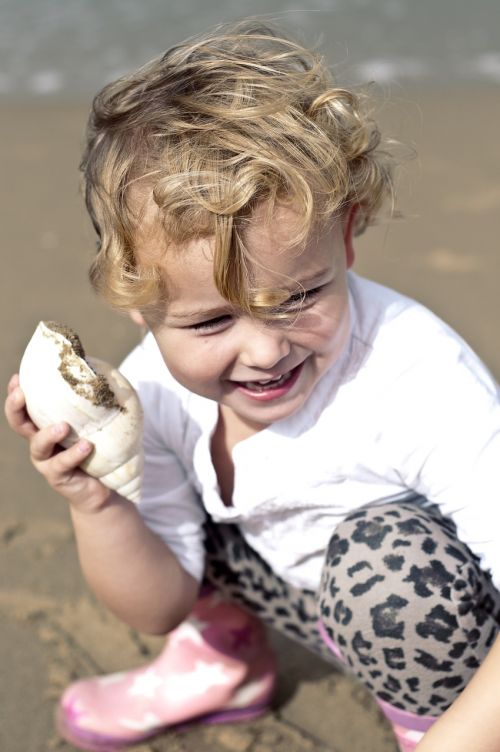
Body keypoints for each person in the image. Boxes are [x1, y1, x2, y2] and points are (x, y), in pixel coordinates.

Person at [5, 19, 500, 752]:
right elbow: (158, 602)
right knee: (167, 506)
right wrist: (97, 501)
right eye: (211, 324)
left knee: (388, 572)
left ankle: (429, 725)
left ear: (347, 234)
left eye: (299, 297)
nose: (266, 350)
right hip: (286, 584)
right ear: (140, 306)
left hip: (423, 612)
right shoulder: (157, 393)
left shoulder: (418, 378)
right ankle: (224, 661)